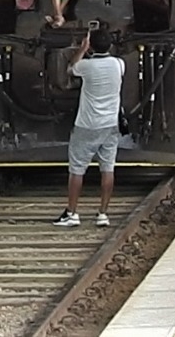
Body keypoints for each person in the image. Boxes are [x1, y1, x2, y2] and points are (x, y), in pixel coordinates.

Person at [53, 30, 124, 228]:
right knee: (108, 168)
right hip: (110, 125)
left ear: (90, 45)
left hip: (87, 125)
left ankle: (72, 213)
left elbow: (70, 69)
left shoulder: (86, 66)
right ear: (110, 46)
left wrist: (82, 50)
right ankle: (103, 214)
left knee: (77, 169)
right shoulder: (119, 64)